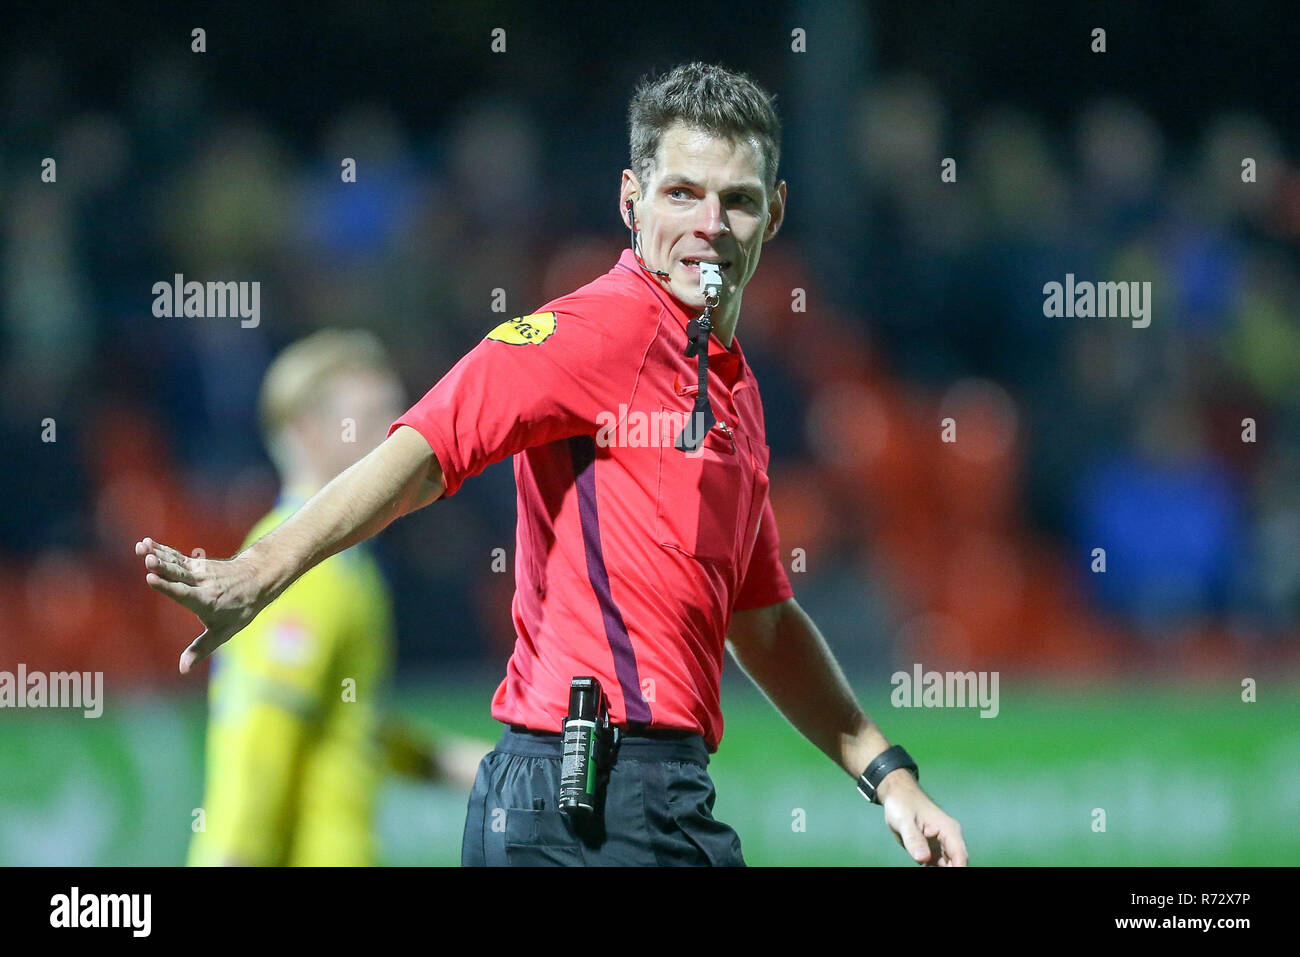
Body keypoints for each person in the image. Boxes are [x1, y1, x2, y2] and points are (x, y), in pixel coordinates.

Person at [139, 62, 967, 867]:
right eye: (681, 193)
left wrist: (884, 772)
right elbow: (426, 450)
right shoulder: (593, 331)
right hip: (596, 794)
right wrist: (262, 568)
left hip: (609, 794)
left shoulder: (735, 394)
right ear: (630, 200)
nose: (710, 223)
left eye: (738, 201)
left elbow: (764, 620)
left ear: (775, 213)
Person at [186, 329, 489, 866]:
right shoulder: (301, 574)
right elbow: (260, 739)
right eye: (372, 418)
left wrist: (440, 763)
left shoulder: (341, 566)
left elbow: (341, 720)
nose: (400, 439)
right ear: (307, 431)